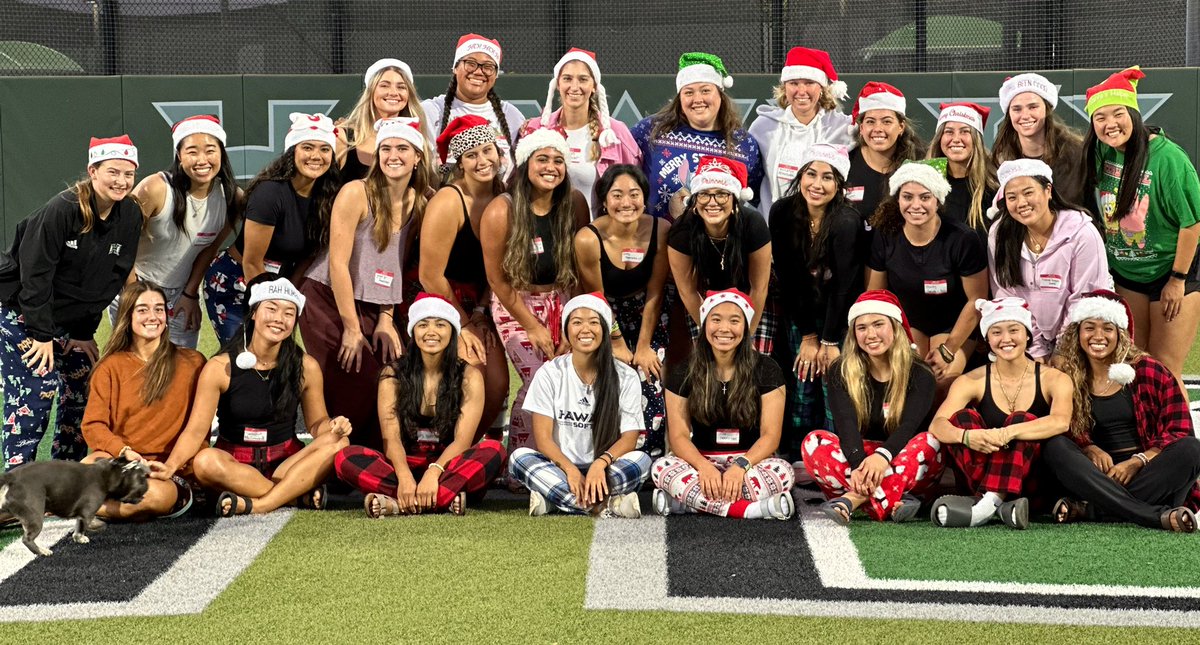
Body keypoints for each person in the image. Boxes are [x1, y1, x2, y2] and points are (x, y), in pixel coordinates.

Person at [150, 276, 352, 515]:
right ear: (254, 313)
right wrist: (171, 466)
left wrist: (333, 426)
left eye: (289, 313)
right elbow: (195, 431)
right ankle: (293, 495)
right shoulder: (219, 367)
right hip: (236, 466)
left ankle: (261, 503)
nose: (279, 319)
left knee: (340, 442)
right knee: (204, 462)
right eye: (272, 309)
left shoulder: (306, 366)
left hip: (286, 462)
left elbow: (317, 424)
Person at [0, 135, 142, 468]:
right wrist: (41, 335)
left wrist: (82, 332)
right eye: (113, 172)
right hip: (22, 313)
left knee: (85, 381)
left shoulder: (130, 215)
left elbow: (110, 278)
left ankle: (66, 471)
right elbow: (35, 277)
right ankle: (18, 486)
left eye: (129, 174)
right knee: (38, 389)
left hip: (66, 322)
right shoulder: (62, 210)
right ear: (93, 171)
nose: (121, 181)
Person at [299, 118, 431, 450]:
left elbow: (395, 263)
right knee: (357, 377)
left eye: (403, 148)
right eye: (386, 148)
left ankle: (369, 457)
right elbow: (338, 264)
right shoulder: (356, 192)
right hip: (327, 296)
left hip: (374, 300)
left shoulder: (418, 201)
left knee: (390, 378)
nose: (393, 155)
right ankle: (335, 457)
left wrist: (386, 316)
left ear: (417, 157)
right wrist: (352, 327)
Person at [334, 293, 507, 516]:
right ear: (413, 331)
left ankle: (399, 503)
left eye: (440, 325)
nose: (431, 332)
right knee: (344, 458)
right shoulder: (393, 374)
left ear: (452, 331)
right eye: (423, 324)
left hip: (449, 466)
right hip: (402, 466)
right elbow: (391, 438)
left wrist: (434, 472)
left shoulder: (469, 375)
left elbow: (462, 441)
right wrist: (405, 477)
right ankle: (442, 499)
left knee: (494, 451)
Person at [1043, 290, 1199, 532]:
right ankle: (1151, 515)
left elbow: (1180, 430)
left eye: (1108, 328)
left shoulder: (1148, 370)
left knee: (1192, 449)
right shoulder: (1067, 377)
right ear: (1078, 333)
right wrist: (1088, 447)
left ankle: (1090, 510)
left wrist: (1137, 462)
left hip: (1148, 474)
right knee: (1055, 446)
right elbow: (1061, 427)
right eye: (1090, 328)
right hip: (1096, 478)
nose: (1098, 336)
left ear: (1120, 334)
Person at [1082, 66, 1200, 383]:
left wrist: (1177, 279)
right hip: (1126, 273)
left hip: (1171, 272)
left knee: (1164, 368)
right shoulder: (1100, 152)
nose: (1110, 124)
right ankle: (1138, 433)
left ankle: (1176, 433)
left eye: (1117, 113)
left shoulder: (1169, 158)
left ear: (1134, 113)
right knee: (1132, 363)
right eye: (1100, 118)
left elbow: (1193, 224)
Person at [480, 128, 588, 457]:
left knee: (567, 377)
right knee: (537, 379)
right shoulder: (503, 209)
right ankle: (520, 461)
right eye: (542, 159)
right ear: (526, 163)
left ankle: (561, 455)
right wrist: (531, 325)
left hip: (561, 299)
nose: (550, 167)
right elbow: (497, 280)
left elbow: (581, 268)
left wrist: (576, 319)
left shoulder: (574, 203)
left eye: (558, 160)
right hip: (515, 302)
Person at [928, 297, 1073, 529]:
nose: (1006, 339)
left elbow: (1061, 422)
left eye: (1014, 330)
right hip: (979, 477)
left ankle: (984, 508)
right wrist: (967, 437)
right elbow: (937, 425)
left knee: (1022, 420)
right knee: (961, 420)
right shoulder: (971, 380)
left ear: (1027, 334)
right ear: (987, 338)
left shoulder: (1054, 378)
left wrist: (1009, 433)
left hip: (1032, 484)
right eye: (996, 332)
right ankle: (1000, 505)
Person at [800, 290, 944, 523]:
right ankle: (893, 500)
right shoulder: (841, 370)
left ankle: (853, 501)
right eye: (862, 327)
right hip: (860, 462)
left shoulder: (920, 373)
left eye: (878, 324)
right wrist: (859, 464)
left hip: (902, 458)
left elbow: (909, 427)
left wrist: (882, 457)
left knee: (931, 443)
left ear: (895, 328)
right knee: (813, 442)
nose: (870, 334)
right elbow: (846, 426)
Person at [650, 289, 795, 519]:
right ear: (705, 324)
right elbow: (678, 436)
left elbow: (770, 436)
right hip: (701, 461)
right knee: (660, 469)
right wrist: (704, 467)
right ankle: (749, 510)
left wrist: (740, 467)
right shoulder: (683, 371)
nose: (724, 329)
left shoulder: (767, 369)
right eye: (715, 320)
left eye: (734, 321)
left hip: (750, 462)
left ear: (745, 327)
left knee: (784, 472)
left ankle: (687, 504)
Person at [204, 112, 342, 344]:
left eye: (324, 149)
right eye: (307, 147)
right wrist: (271, 305)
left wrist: (290, 298)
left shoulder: (329, 197)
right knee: (244, 354)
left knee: (277, 356)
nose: (316, 156)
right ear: (292, 152)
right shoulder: (270, 193)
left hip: (280, 284)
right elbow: (251, 261)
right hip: (236, 280)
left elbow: (308, 257)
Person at [509, 293, 650, 517]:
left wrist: (600, 464)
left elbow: (630, 438)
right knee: (519, 458)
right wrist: (570, 470)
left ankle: (557, 500)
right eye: (577, 322)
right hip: (560, 467)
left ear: (604, 330)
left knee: (642, 460)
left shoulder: (626, 376)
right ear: (567, 331)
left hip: (606, 468)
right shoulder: (550, 372)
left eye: (594, 322)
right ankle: (607, 505)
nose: (585, 329)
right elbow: (543, 439)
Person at [81, 281, 206, 520]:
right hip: (123, 460)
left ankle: (77, 505)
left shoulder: (193, 362)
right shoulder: (109, 367)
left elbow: (199, 428)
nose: (153, 316)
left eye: (159, 309)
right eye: (143, 309)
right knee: (88, 467)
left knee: (154, 498)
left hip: (170, 470)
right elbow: (93, 426)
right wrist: (123, 451)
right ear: (127, 317)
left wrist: (172, 465)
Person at [419, 116, 510, 439]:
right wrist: (465, 323)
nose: (482, 161)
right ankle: (448, 449)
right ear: (460, 163)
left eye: (487, 151)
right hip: (443, 300)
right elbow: (429, 276)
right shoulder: (449, 200)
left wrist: (483, 312)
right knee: (471, 375)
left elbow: (499, 268)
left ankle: (474, 448)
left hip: (482, 301)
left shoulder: (504, 193)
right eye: (471, 155)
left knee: (498, 383)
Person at [767, 143, 862, 448]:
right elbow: (789, 276)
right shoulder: (782, 211)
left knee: (834, 381)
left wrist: (830, 341)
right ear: (800, 175)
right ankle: (799, 453)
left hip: (839, 311)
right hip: (800, 308)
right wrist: (808, 336)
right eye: (811, 174)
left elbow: (845, 285)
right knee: (803, 378)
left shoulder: (847, 220)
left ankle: (836, 450)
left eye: (827, 178)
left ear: (839, 185)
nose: (817, 185)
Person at [116, 115, 239, 349]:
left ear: (221, 153)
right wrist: (134, 295)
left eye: (210, 150)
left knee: (181, 366)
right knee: (136, 365)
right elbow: (121, 243)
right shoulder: (155, 188)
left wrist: (190, 294)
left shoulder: (232, 198)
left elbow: (210, 249)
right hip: (137, 284)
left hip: (182, 293)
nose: (202, 160)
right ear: (179, 156)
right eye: (192, 151)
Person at [574, 165, 671, 456]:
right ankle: (605, 453)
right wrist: (617, 342)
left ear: (645, 198)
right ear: (604, 200)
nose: (626, 203)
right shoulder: (588, 239)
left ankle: (649, 459)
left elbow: (656, 291)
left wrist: (643, 346)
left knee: (650, 376)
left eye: (634, 194)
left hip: (649, 312)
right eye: (617, 195)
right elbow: (597, 297)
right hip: (605, 314)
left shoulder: (660, 229)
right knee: (609, 377)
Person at [867, 161, 988, 386]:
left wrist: (949, 349)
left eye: (925, 197)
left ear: (938, 200)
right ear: (898, 199)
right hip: (908, 321)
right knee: (910, 380)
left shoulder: (962, 238)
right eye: (907, 197)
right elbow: (875, 295)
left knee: (939, 382)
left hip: (953, 324)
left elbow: (977, 300)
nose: (916, 205)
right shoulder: (885, 234)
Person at [988, 159, 1112, 360]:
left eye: (1028, 193)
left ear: (1048, 191)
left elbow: (1085, 298)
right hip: (1025, 342)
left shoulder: (1082, 232)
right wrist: (1037, 349)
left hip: (1082, 338)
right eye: (1012, 197)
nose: (1021, 203)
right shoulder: (1000, 233)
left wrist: (1062, 351)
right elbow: (1006, 295)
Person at [632, 52, 763, 221]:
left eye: (705, 90)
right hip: (659, 240)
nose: (697, 99)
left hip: (719, 243)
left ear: (720, 95)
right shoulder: (650, 130)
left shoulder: (744, 144)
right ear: (680, 98)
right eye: (688, 92)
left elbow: (762, 198)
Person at [667, 156, 774, 353]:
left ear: (734, 199)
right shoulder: (681, 231)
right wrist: (709, 330)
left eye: (722, 194)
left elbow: (759, 287)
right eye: (704, 194)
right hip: (704, 297)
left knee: (752, 361)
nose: (712, 202)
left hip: (750, 296)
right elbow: (688, 291)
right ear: (695, 200)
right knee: (710, 359)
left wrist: (747, 335)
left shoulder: (753, 224)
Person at [521, 48, 641, 214]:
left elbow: (637, 186)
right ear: (558, 84)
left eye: (583, 79)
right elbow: (519, 186)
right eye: (567, 78)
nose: (574, 86)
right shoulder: (535, 129)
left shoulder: (615, 133)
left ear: (594, 86)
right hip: (547, 233)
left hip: (596, 234)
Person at [749, 46, 853, 215]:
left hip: (823, 229)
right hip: (772, 227)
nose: (801, 91)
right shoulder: (763, 126)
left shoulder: (842, 127)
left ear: (822, 88)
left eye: (809, 83)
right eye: (794, 83)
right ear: (784, 87)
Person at [421, 34, 526, 177]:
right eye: (470, 63)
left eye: (488, 67)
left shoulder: (512, 116)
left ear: (496, 75)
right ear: (455, 67)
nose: (478, 71)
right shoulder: (430, 112)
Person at [336, 58, 436, 180]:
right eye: (384, 86)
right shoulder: (343, 137)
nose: (394, 92)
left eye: (401, 87)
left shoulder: (418, 139)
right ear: (371, 92)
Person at [993, 73, 1085, 204]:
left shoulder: (1077, 153)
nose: (1025, 115)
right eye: (1017, 109)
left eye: (1033, 107)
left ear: (1047, 109)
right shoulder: (1001, 160)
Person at [845, 82, 926, 230]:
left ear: (901, 127)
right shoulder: (844, 164)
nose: (878, 129)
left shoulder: (921, 163)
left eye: (887, 121)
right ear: (861, 128)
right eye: (870, 122)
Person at [927, 102, 997, 244]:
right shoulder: (924, 185)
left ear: (976, 139)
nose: (956, 139)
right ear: (940, 138)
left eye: (965, 131)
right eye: (949, 132)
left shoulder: (995, 188)